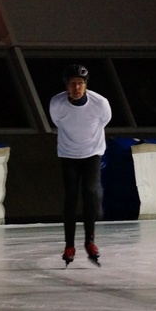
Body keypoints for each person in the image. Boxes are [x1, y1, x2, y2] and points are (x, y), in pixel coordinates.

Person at [49, 64, 112, 266]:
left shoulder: (100, 103)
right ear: (66, 86)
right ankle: (69, 245)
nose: (76, 88)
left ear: (86, 85)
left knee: (91, 192)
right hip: (68, 154)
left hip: (92, 152)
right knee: (71, 196)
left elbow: (104, 121)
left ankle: (89, 241)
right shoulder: (57, 104)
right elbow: (57, 122)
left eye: (80, 83)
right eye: (72, 84)